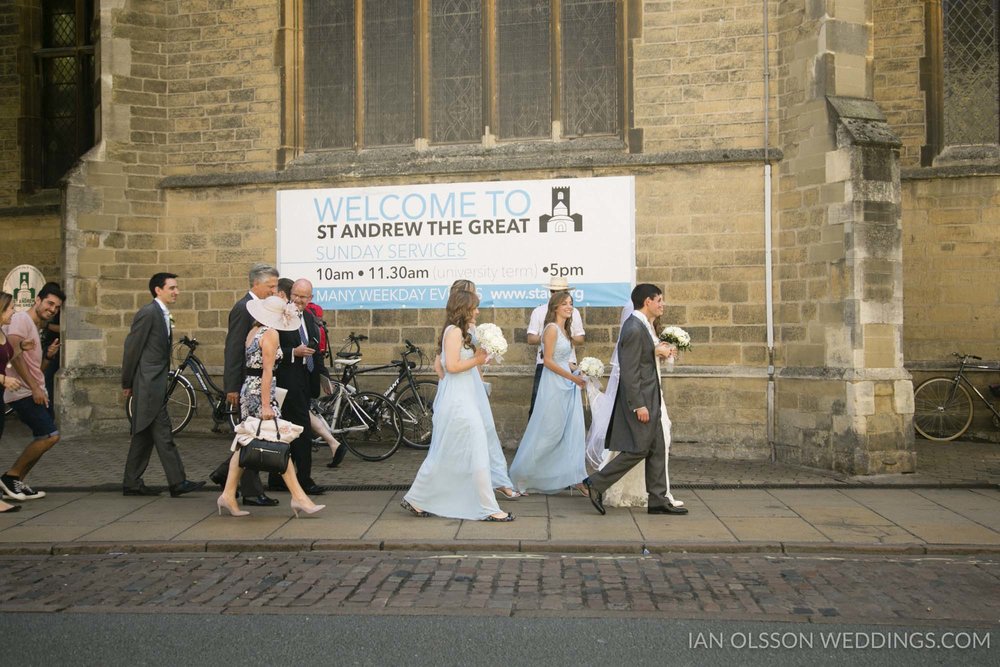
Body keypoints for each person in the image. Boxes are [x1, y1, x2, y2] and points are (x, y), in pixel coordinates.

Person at [401, 291, 514, 521]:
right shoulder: (452, 332)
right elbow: (450, 367)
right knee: (476, 448)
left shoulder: (464, 332)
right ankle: (488, 508)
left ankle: (416, 498)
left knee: (445, 453)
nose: (478, 311)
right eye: (475, 307)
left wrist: (481, 359)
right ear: (464, 308)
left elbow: (448, 367)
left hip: (466, 397)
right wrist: (477, 360)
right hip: (458, 402)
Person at [583, 284, 689, 516]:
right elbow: (629, 372)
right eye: (658, 300)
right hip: (641, 400)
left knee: (657, 448)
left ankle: (658, 499)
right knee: (639, 449)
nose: (662, 304)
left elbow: (645, 360)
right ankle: (595, 483)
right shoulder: (633, 328)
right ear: (647, 302)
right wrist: (639, 404)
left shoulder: (644, 325)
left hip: (653, 397)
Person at [216, 296, 325, 518]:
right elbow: (267, 371)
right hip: (261, 392)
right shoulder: (271, 334)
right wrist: (267, 404)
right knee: (279, 441)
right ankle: (299, 497)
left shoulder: (253, 331)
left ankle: (228, 494)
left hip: (250, 388)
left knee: (244, 442)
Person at [434, 279, 520, 501]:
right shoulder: (451, 329)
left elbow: (474, 358)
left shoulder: (469, 327)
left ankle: (498, 480)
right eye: (472, 299)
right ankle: (468, 485)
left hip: (472, 383)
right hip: (461, 384)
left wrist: (480, 374)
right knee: (468, 435)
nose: (477, 309)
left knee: (487, 431)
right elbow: (443, 365)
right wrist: (453, 385)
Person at [121, 273, 205, 497]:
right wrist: (127, 382)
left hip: (154, 383)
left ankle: (132, 482)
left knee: (144, 434)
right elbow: (132, 349)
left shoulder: (162, 313)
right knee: (163, 433)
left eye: (176, 288)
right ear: (158, 290)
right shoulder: (149, 313)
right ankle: (177, 482)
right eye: (172, 288)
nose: (176, 291)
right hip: (149, 385)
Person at [209, 263, 279, 506]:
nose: (273, 291)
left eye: (275, 286)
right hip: (248, 384)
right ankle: (250, 491)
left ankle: (223, 474)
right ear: (255, 284)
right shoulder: (243, 308)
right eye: (270, 286)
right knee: (252, 437)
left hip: (254, 384)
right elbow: (233, 348)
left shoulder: (260, 308)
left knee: (248, 436)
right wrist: (231, 387)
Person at [508, 291, 588, 495]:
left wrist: (580, 370)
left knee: (572, 430)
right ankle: (521, 476)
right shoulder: (551, 328)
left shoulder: (565, 329)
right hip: (554, 385)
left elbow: (564, 360)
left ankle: (577, 477)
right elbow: (549, 361)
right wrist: (573, 378)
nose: (569, 307)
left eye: (571, 303)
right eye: (565, 304)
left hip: (567, 386)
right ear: (555, 307)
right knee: (547, 432)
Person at [0, 284, 63, 501]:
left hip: (34, 390)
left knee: (43, 436)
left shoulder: (34, 326)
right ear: (37, 300)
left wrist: (47, 357)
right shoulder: (21, 320)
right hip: (23, 393)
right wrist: (34, 388)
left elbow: (36, 368)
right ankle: (11, 477)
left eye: (56, 307)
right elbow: (14, 356)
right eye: (49, 303)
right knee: (50, 436)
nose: (52, 309)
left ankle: (16, 481)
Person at [269, 278, 325, 495]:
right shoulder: (280, 317)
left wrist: (322, 377)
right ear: (290, 294)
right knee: (300, 432)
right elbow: (270, 349)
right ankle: (304, 480)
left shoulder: (310, 318)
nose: (300, 301)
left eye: (304, 297)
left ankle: (277, 478)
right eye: (297, 296)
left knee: (287, 432)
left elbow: (316, 350)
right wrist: (294, 352)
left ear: (310, 298)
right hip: (285, 381)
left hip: (305, 380)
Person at [526, 277, 584, 415]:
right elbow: (530, 338)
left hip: (568, 363)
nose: (557, 294)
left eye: (561, 291)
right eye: (555, 291)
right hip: (545, 364)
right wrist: (550, 339)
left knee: (565, 409)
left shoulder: (573, 312)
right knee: (539, 407)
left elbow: (581, 337)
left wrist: (564, 339)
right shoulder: (539, 312)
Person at [0, 292, 25, 512]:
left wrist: (21, 349)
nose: (13, 312)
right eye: (9, 309)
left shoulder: (2, 332)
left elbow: (4, 359)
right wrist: (4, 379)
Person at [39, 283, 61, 418]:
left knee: (47, 380)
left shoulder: (59, 312)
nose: (53, 309)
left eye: (56, 306)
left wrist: (46, 325)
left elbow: (64, 329)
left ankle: (48, 413)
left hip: (54, 348)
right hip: (47, 347)